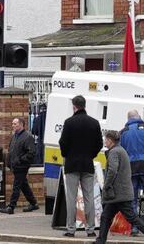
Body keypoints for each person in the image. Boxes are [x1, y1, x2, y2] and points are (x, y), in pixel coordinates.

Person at [94, 131, 144, 244]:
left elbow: (112, 170)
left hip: (118, 194)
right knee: (106, 216)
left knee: (131, 217)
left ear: (110, 140)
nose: (105, 141)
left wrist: (106, 185)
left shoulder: (114, 152)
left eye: (106, 139)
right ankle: (100, 241)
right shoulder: (121, 150)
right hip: (120, 193)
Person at [58, 95, 102, 238]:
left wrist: (67, 155)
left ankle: (71, 229)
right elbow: (99, 144)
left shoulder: (69, 122)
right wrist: (91, 155)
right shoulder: (94, 123)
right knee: (89, 197)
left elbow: (63, 143)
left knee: (72, 198)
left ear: (74, 106)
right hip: (87, 164)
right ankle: (90, 228)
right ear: (85, 105)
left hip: (72, 164)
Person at [0, 117, 39, 214]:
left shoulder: (27, 137)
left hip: (22, 166)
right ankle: (33, 203)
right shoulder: (15, 136)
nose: (13, 126)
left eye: (15, 124)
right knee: (23, 185)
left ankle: (11, 207)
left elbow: (32, 152)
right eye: (12, 124)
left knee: (16, 186)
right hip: (15, 165)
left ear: (21, 125)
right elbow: (11, 150)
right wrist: (9, 161)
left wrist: (20, 160)